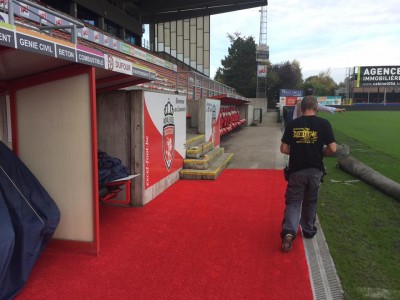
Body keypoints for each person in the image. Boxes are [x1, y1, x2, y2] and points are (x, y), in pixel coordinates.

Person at [280, 95, 337, 252]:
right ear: (317, 108)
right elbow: (333, 149)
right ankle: (308, 230)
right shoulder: (324, 124)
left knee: (293, 202)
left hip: (296, 170)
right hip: (315, 171)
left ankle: (289, 232)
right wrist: (319, 152)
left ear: (301, 108)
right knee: (310, 201)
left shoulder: (293, 124)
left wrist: (299, 151)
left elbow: (284, 149)